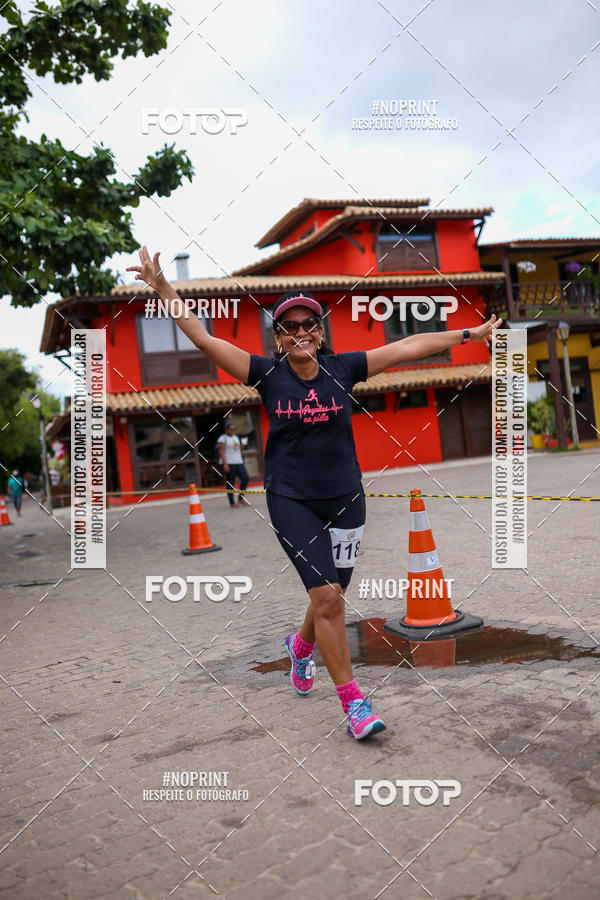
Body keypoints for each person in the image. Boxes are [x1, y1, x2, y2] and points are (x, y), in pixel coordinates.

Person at [127, 246, 502, 740]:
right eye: (289, 327)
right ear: (278, 338)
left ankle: (300, 648)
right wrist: (163, 288)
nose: (301, 332)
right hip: (291, 500)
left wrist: (469, 334)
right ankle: (354, 704)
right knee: (328, 598)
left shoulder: (344, 368)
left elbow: (408, 346)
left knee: (331, 595)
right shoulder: (265, 374)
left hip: (346, 496)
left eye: (309, 324)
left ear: (320, 332)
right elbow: (202, 336)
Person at [217, 419, 250, 507]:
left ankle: (240, 498)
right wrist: (225, 464)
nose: (233, 431)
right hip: (229, 463)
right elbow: (222, 452)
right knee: (230, 482)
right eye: (231, 429)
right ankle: (232, 503)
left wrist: (243, 445)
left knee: (245, 478)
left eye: (234, 429)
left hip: (239, 461)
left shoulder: (235, 437)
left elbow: (239, 449)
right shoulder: (222, 438)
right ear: (227, 430)